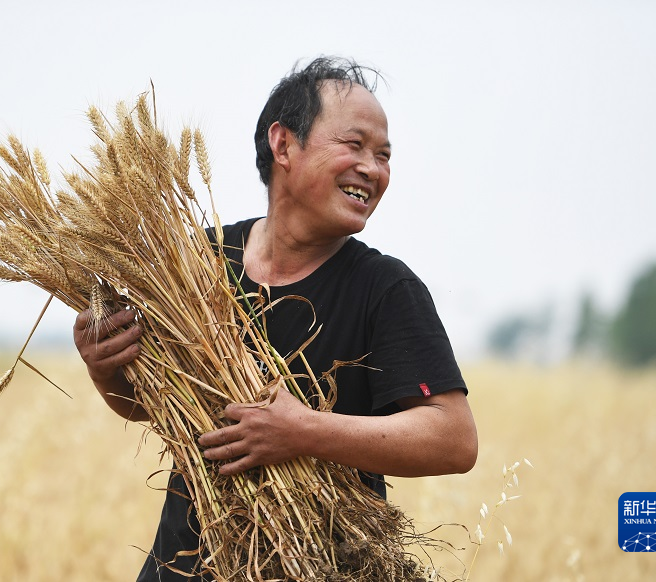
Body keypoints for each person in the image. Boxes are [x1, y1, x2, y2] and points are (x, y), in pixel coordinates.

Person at [73, 56, 478, 581]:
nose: (373, 170)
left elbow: (454, 438)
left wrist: (303, 431)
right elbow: (154, 407)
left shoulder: (385, 289)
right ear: (283, 144)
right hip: (184, 567)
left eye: (383, 156)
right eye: (354, 146)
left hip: (321, 566)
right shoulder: (195, 268)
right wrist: (105, 369)